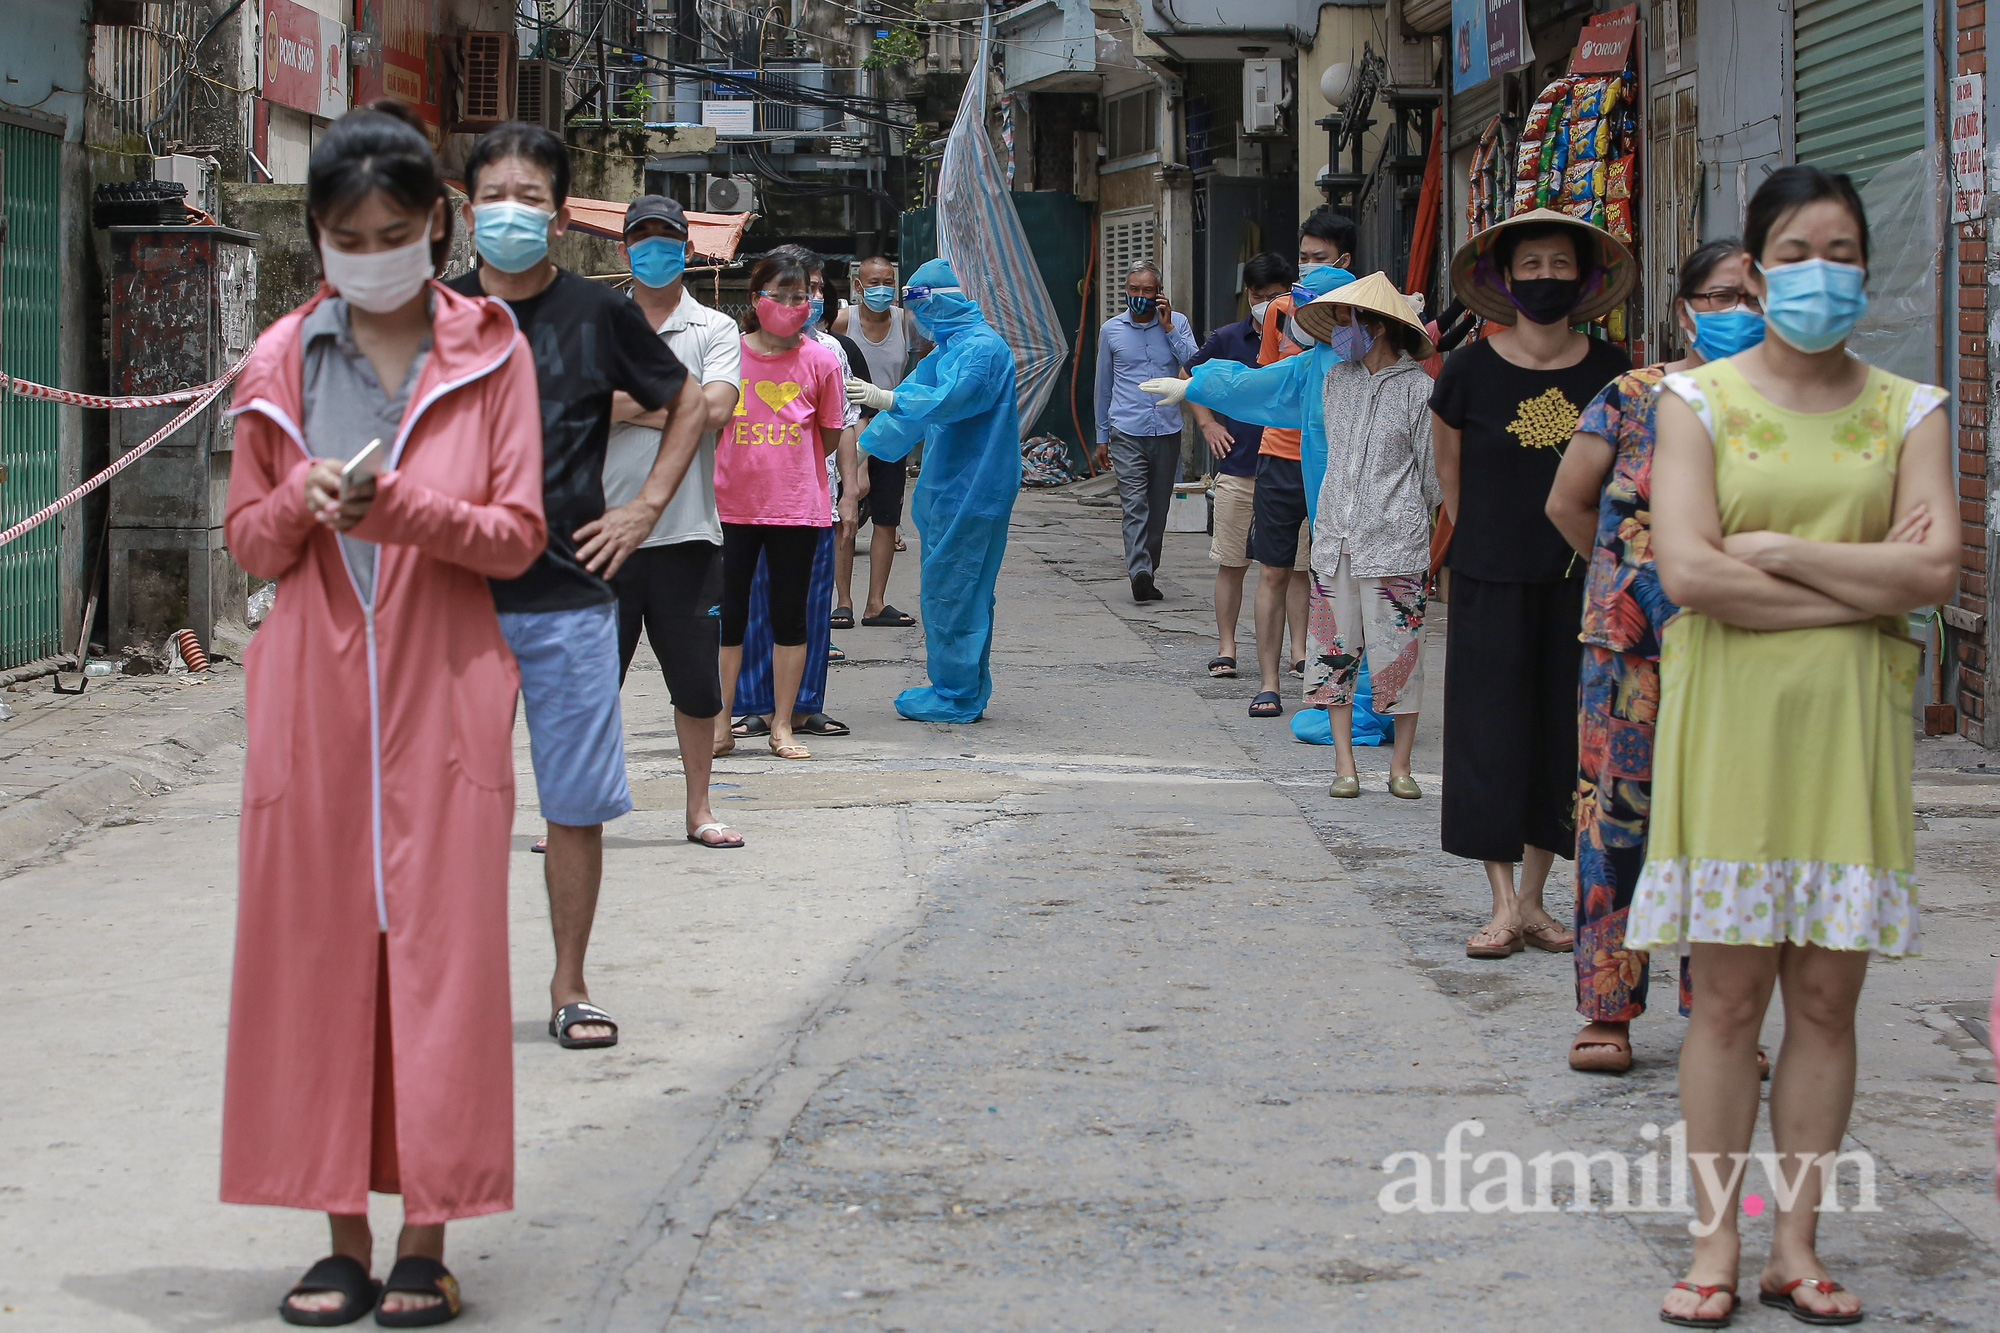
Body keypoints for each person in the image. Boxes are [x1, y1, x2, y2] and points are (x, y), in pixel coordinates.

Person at [222, 102, 545, 1326]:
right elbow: (251, 549)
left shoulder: (491, 355)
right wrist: (300, 504)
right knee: (311, 965)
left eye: (394, 230)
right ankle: (338, 1235)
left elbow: (516, 538)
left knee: (442, 970)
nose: (370, 251)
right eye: (347, 233)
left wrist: (402, 510)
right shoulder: (274, 364)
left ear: (437, 225)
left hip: (444, 695)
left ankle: (428, 1233)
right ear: (316, 235)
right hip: (309, 705)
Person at [1639, 166, 1953, 1328]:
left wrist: (1768, 545)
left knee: (1824, 1002)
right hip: (1730, 727)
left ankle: (1797, 1247)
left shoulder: (1908, 409)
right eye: (1796, 250)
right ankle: (1714, 1242)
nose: (1820, 271)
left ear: (1863, 268)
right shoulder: (1696, 402)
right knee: (1724, 1003)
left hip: (1848, 740)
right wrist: (1858, 592)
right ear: (1757, 267)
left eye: (1842, 250)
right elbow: (1685, 572)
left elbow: (1933, 573)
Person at [446, 122, 703, 1050]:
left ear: (556, 216)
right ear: (466, 209)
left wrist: (645, 506)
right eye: (493, 196)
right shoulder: (434, 316)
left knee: (575, 802)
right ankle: (454, 987)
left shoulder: (598, 316)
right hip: (452, 606)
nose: (509, 212)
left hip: (566, 598)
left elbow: (690, 402)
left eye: (528, 197)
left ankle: (570, 985)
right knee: (450, 804)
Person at [1543, 238, 1763, 1073]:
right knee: (1615, 823)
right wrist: (1625, 579)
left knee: (1731, 828)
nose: (1737, 313)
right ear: (1683, 310)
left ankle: (1725, 1017)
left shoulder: (1784, 408)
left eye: (1753, 297)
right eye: (1720, 296)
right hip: (1629, 651)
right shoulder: (1632, 396)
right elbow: (1570, 502)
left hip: (1743, 646)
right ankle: (1608, 1011)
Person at [1430, 208, 1633, 960]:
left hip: (1581, 581)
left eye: (1559, 264)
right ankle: (1500, 901)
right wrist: (1487, 541)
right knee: (1487, 735)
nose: (1544, 277)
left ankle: (1539, 898)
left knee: (1563, 733)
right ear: (1503, 276)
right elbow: (1449, 479)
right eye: (1531, 264)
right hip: (1487, 576)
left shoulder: (1612, 370)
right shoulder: (1467, 370)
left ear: (1582, 278)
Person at [603, 195, 744, 849]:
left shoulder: (714, 328)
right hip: (600, 534)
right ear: (624, 248)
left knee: (695, 685)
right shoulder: (597, 324)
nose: (654, 248)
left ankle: (699, 808)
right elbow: (576, 406)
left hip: (688, 534)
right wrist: (680, 402)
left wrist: (627, 405)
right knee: (590, 683)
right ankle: (578, 811)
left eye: (667, 238)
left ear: (687, 250)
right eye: (642, 238)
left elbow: (717, 411)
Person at [845, 257, 1021, 722]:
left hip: (975, 486)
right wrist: (861, 448)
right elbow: (913, 410)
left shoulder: (982, 350)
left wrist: (887, 397)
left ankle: (956, 692)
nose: (918, 320)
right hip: (954, 486)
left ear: (938, 303)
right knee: (954, 587)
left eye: (921, 308)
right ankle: (959, 685)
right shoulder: (947, 349)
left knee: (955, 589)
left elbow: (952, 399)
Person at [725, 245, 861, 746]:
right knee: (734, 615)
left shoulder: (824, 357)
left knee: (796, 613)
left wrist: (841, 485)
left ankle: (792, 715)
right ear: (757, 296)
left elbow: (832, 430)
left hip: (801, 506)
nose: (794, 304)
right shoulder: (728, 352)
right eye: (781, 294)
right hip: (733, 505)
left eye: (803, 294)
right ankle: (734, 716)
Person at [1248, 207, 1358, 711]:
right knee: (1273, 570)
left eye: (1320, 258)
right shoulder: (1279, 311)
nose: (1308, 267)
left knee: (1333, 573)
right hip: (1279, 455)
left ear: (1344, 261)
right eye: (1304, 258)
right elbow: (1267, 384)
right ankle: (1268, 683)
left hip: (1339, 461)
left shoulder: (1364, 316)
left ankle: (1329, 685)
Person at [1187, 252, 1295, 677]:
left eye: (1276, 296)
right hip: (1239, 468)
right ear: (1248, 293)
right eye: (1260, 296)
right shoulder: (1229, 338)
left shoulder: (1301, 339)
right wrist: (1208, 423)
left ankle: (1298, 652)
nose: (1267, 304)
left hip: (1288, 469)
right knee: (1232, 561)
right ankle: (1227, 647)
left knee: (1295, 569)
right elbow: (1191, 376)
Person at [1093, 259, 1198, 602]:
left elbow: (1196, 366)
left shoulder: (1177, 323)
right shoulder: (1111, 330)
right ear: (1126, 291)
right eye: (1134, 290)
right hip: (1127, 429)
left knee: (1158, 507)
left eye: (1148, 291)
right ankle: (1138, 570)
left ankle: (1148, 569)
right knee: (1134, 504)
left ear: (1159, 294)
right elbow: (1103, 387)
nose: (1140, 296)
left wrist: (1169, 329)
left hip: (1167, 430)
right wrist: (1101, 436)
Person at [832, 253, 927, 626]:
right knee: (845, 515)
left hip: (892, 431)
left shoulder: (907, 324)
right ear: (858, 286)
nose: (881, 289)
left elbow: (925, 364)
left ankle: (876, 602)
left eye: (888, 282)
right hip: (849, 432)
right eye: (873, 283)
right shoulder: (843, 322)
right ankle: (843, 601)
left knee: (887, 518)